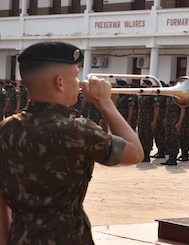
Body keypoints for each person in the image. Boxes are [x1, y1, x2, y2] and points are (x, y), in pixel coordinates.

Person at [0, 41, 143, 244]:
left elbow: (1, 207)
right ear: (60, 82)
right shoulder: (78, 130)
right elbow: (135, 153)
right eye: (75, 76)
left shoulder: (6, 129)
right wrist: (105, 103)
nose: (79, 82)